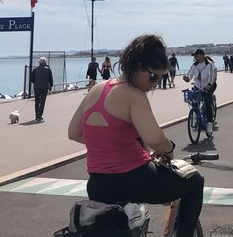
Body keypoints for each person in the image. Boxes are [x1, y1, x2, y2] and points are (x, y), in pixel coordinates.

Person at [67, 34, 204, 237]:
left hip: (98, 184)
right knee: (195, 182)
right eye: (153, 77)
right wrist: (169, 149)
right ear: (138, 66)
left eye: (160, 78)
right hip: (134, 178)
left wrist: (109, 144)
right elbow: (154, 139)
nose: (155, 84)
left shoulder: (96, 89)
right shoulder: (133, 94)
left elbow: (74, 132)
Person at [182, 49, 215, 137]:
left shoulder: (209, 65)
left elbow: (212, 77)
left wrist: (209, 84)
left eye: (195, 55)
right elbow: (190, 74)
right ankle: (197, 119)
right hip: (197, 87)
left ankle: (209, 126)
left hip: (207, 87)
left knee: (207, 105)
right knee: (194, 103)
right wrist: (187, 78)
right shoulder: (194, 65)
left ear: (201, 55)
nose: (194, 57)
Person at [30, 57, 53, 122]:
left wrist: (36, 82)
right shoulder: (48, 69)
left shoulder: (35, 69)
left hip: (36, 87)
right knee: (42, 102)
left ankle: (36, 115)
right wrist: (50, 85)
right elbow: (50, 79)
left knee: (37, 102)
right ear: (45, 62)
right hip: (45, 87)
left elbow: (32, 79)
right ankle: (39, 116)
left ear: (39, 62)